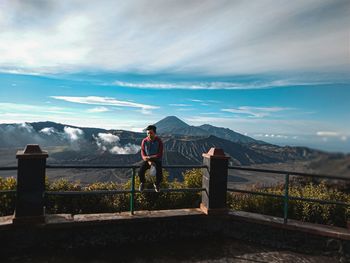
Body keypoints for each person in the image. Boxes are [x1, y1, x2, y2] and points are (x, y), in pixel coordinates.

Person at [138, 125, 163, 192]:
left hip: (156, 159)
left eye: (151, 133)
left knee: (159, 173)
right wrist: (147, 160)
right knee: (140, 171)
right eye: (148, 133)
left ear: (155, 133)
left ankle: (157, 184)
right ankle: (143, 183)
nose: (149, 134)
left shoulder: (159, 141)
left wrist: (150, 158)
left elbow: (160, 154)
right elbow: (142, 151)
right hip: (147, 159)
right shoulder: (144, 141)